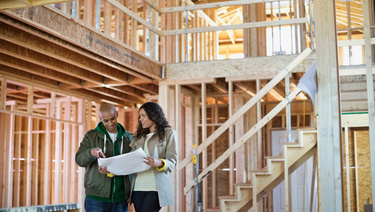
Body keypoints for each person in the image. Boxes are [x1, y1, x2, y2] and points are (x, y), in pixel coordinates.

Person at [75, 103, 133, 212]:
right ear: (100, 119)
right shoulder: (91, 136)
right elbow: (79, 160)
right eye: (106, 120)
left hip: (121, 199)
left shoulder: (129, 138)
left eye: (113, 119)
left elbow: (133, 167)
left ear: (117, 114)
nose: (110, 123)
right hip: (96, 199)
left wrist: (131, 192)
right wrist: (91, 153)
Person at [130, 102, 178, 212]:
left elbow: (173, 160)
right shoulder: (138, 137)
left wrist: (159, 163)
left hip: (154, 189)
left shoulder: (168, 133)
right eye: (140, 116)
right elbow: (131, 160)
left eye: (143, 115)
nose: (140, 119)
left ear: (153, 115)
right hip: (137, 188)